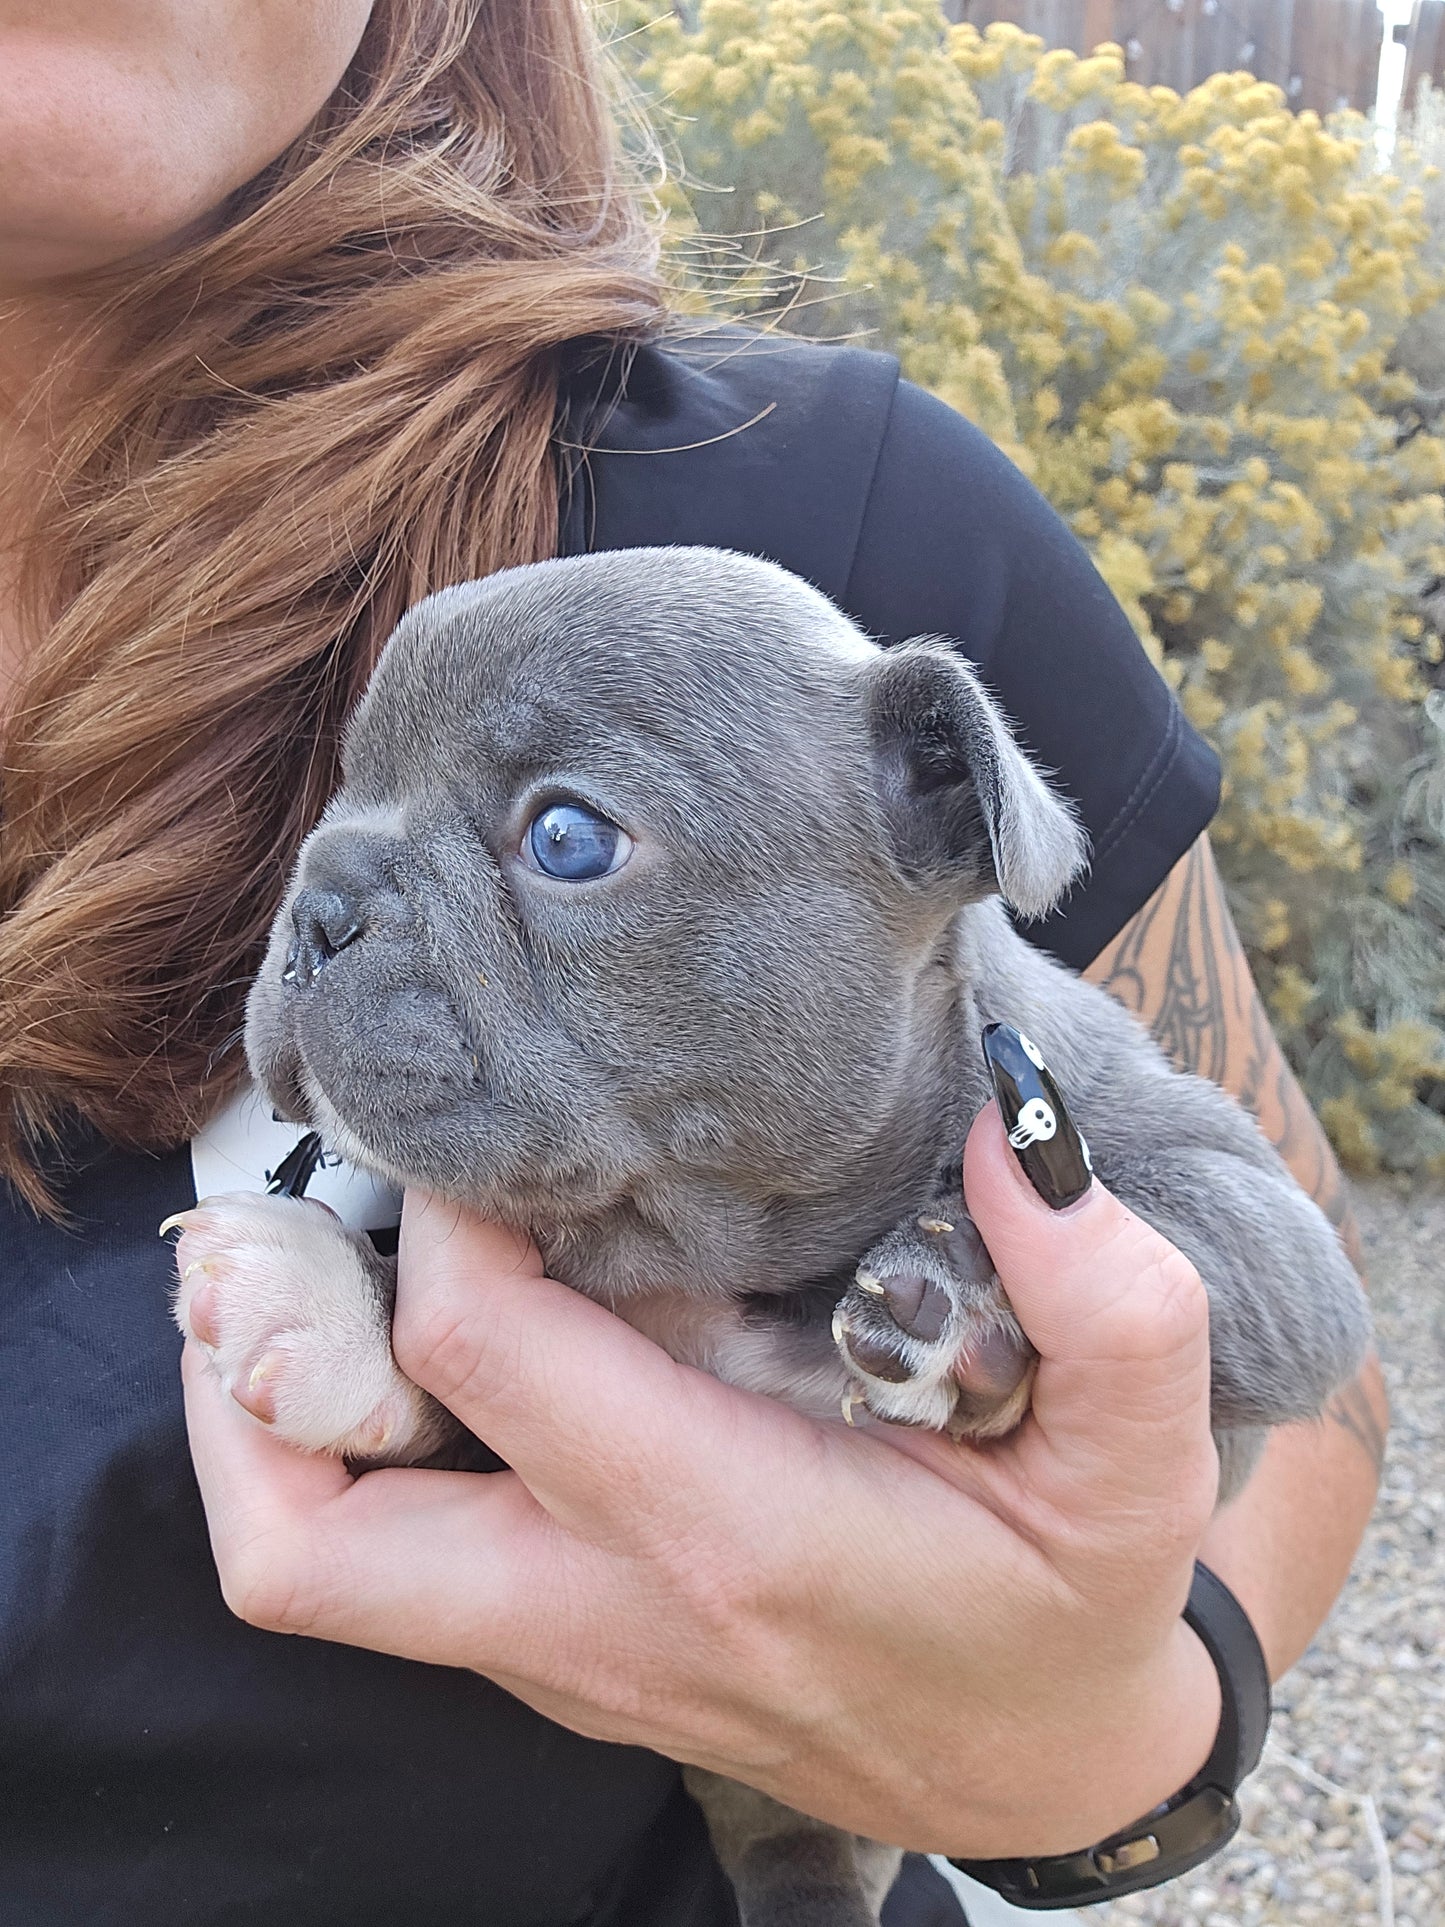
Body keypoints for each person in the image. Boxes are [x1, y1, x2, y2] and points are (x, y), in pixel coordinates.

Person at [0, 4, 1386, 1924]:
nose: (332, 906)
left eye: (562, 842)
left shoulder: (831, 532)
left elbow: (1304, 1354)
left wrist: (1105, 1741)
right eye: (351, 808)